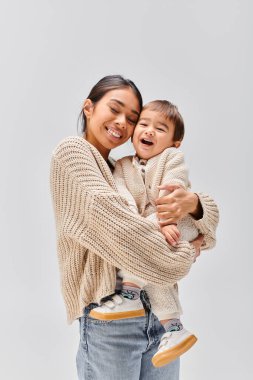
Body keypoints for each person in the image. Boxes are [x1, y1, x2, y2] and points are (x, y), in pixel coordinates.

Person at [50, 75, 219, 380]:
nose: (122, 123)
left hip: (160, 315)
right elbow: (129, 236)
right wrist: (186, 248)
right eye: (114, 109)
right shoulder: (73, 154)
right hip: (110, 316)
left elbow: (209, 214)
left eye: (131, 117)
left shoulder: (125, 167)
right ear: (88, 108)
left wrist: (193, 203)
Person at [89, 100, 217, 368]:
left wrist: (165, 219)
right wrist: (152, 226)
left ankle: (130, 292)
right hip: (153, 232)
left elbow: (174, 186)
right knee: (155, 272)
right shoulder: (122, 165)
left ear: (175, 142)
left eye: (160, 129)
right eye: (144, 125)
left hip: (179, 222)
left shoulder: (171, 158)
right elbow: (121, 196)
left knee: (144, 246)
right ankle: (173, 327)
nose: (149, 131)